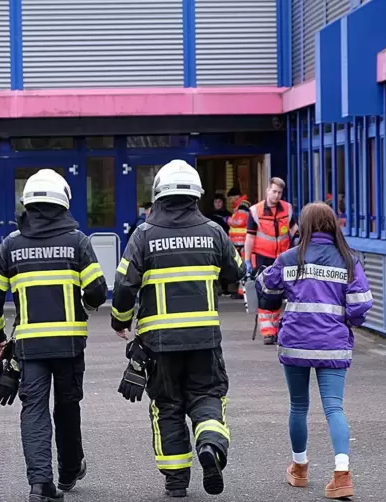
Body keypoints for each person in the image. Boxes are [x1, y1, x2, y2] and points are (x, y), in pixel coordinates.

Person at [110, 159, 246, 498]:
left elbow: (125, 285)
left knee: (167, 406)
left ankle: (176, 481)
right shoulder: (214, 231)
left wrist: (120, 320)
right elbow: (237, 271)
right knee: (207, 395)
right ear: (196, 195)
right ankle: (210, 445)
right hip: (204, 339)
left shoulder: (143, 235)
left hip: (160, 344)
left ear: (158, 195)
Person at [0, 169, 108, 502]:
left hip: (30, 348)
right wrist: (82, 301)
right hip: (69, 346)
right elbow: (97, 292)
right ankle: (68, 472)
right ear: (63, 203)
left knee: (33, 411)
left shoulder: (12, 245)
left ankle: (40, 484)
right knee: (67, 408)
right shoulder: (77, 241)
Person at [255, 202, 372, 500]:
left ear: (304, 226)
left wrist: (259, 277)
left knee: (299, 406)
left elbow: (267, 290)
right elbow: (360, 305)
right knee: (334, 408)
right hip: (333, 345)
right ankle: (342, 474)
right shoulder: (348, 260)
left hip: (295, 344)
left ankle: (300, 468)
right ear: (332, 225)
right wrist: (348, 322)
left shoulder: (290, 258)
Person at [244, 177, 297, 345]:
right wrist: (247, 260)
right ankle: (268, 332)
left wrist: (297, 244)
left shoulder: (287, 209)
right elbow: (250, 238)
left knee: (280, 294)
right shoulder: (255, 211)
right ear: (268, 190)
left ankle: (275, 329)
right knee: (266, 295)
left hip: (283, 258)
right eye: (274, 191)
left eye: (279, 193)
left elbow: (294, 229)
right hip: (263, 258)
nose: (276, 195)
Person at [227, 195, 251, 299]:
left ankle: (242, 292)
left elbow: (239, 222)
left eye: (232, 197)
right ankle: (240, 291)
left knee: (242, 269)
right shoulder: (239, 208)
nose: (231, 200)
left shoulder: (243, 208)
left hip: (242, 245)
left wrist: (228, 220)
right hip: (239, 245)